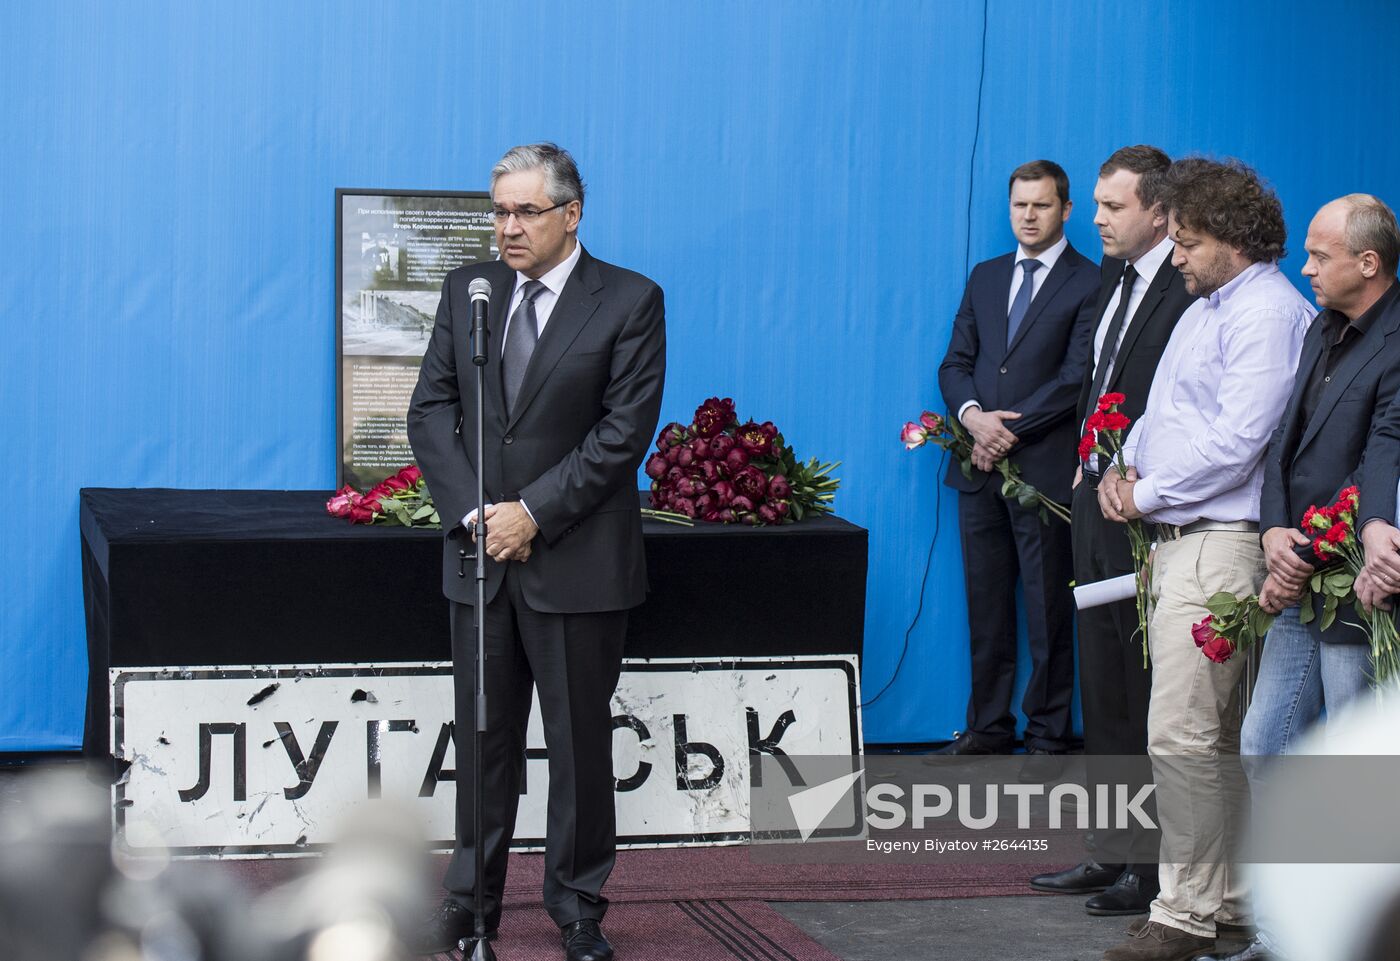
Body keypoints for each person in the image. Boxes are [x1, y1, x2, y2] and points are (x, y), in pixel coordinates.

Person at [406, 142, 667, 961]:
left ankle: (578, 905)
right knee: (481, 739)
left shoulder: (629, 300)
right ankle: (468, 898)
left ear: (571, 213)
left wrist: (534, 513)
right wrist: (479, 515)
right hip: (481, 556)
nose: (507, 227)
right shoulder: (467, 289)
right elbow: (430, 411)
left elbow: (622, 434)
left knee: (579, 745)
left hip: (577, 562)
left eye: (525, 211)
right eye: (499, 210)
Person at [1096, 158, 1314, 961]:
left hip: (1220, 543)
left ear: (1228, 236)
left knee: (1186, 736)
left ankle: (1182, 912)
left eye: (1186, 242)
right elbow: (1161, 415)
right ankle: (1224, 903)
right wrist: (1125, 468)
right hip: (1184, 541)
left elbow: (1238, 440)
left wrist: (1145, 492)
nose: (1175, 255)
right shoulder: (1209, 304)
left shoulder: (1267, 313)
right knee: (1208, 737)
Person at [1196, 195, 1400, 961]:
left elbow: (1382, 458)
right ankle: (1284, 935)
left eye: (1319, 256)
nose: (1305, 268)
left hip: (1354, 586)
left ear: (1368, 264)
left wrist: (1309, 549)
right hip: (1298, 569)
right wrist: (1276, 530)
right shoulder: (1322, 326)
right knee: (1263, 743)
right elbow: (1285, 443)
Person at [1030, 145, 1196, 916]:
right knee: (1102, 682)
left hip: (1149, 510)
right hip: (1094, 499)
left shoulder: (1188, 288)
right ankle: (1112, 847)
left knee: (1142, 689)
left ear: (1158, 211)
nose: (1094, 218)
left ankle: (1153, 865)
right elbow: (1101, 384)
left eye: (1111, 206)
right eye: (1093, 204)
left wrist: (1133, 478)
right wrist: (1082, 462)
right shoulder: (1112, 278)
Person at [936, 160, 1099, 756]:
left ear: (1066, 210)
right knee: (986, 606)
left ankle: (1049, 734)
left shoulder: (1091, 280)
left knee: (1048, 607)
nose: (1028, 217)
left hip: (1045, 473)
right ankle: (987, 727)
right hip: (977, 468)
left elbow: (1076, 377)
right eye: (1019, 206)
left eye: (1041, 205)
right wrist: (974, 418)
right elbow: (955, 364)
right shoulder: (985, 276)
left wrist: (1009, 431)